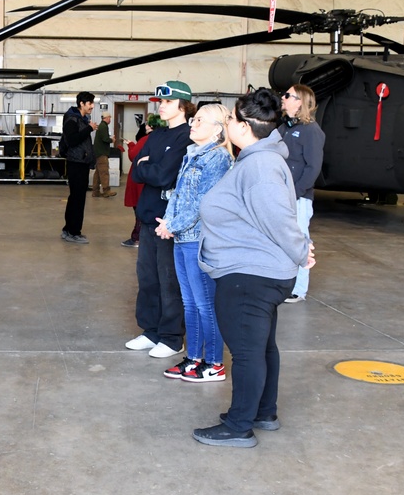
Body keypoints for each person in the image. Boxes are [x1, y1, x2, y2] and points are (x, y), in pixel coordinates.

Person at [193, 88, 315, 448]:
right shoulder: (258, 157)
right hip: (256, 269)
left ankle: (239, 425)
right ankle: (263, 411)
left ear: (245, 127)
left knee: (247, 352)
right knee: (261, 347)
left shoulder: (260, 165)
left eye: (230, 119)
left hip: (251, 274)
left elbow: (279, 218)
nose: (228, 123)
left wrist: (301, 251)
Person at [154, 103, 235, 383]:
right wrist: (168, 222)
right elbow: (179, 196)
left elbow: (204, 203)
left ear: (217, 130)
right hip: (182, 238)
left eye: (200, 120)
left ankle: (214, 363)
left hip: (199, 240)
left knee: (205, 305)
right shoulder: (193, 154)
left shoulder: (217, 159)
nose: (193, 124)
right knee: (190, 303)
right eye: (195, 119)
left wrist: (172, 225)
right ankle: (194, 358)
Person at [124, 81, 195, 359]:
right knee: (148, 279)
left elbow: (164, 176)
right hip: (148, 218)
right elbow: (137, 169)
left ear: (183, 105)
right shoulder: (156, 136)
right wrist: (148, 167)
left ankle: (172, 337)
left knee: (169, 282)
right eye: (160, 102)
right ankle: (150, 331)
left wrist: (148, 168)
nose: (161, 106)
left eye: (167, 102)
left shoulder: (187, 136)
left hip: (170, 222)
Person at [279, 84, 325, 303]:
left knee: (300, 239)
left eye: (288, 95)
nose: (283, 98)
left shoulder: (311, 131)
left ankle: (298, 288)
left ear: (300, 101)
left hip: (298, 197)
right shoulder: (284, 128)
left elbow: (313, 167)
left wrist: (296, 192)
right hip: (280, 195)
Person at [60, 91, 98, 244]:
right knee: (77, 199)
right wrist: (89, 129)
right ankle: (74, 232)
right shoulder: (72, 119)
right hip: (76, 163)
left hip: (81, 163)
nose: (92, 106)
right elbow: (72, 140)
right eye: (90, 103)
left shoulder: (81, 119)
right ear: (82, 103)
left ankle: (68, 229)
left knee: (76, 198)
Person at [119, 118, 155, 248]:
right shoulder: (162, 139)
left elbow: (134, 155)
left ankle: (137, 238)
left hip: (140, 178)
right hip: (152, 179)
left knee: (139, 209)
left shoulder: (146, 139)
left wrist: (131, 145)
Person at [92, 112, 117, 198]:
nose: (110, 119)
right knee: (104, 172)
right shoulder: (104, 126)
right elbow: (105, 139)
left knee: (98, 173)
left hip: (98, 152)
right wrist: (112, 140)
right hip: (102, 153)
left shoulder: (102, 126)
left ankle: (95, 191)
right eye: (109, 118)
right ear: (106, 118)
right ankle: (106, 190)